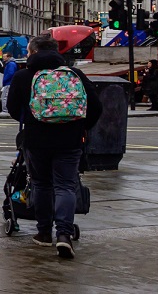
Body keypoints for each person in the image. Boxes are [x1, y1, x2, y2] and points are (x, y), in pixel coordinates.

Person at [6, 32, 103, 258]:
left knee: (41, 184)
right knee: (66, 186)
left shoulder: (23, 77)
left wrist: (31, 118)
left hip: (37, 140)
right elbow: (96, 106)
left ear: (34, 52)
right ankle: (64, 235)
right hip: (69, 140)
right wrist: (81, 126)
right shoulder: (75, 75)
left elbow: (12, 109)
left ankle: (43, 233)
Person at [0, 49, 19, 115]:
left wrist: (5, 79)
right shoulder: (10, 63)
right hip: (9, 82)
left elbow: (10, 73)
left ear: (8, 57)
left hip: (8, 83)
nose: (3, 58)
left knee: (5, 97)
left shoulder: (10, 64)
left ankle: (5, 110)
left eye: (4, 56)